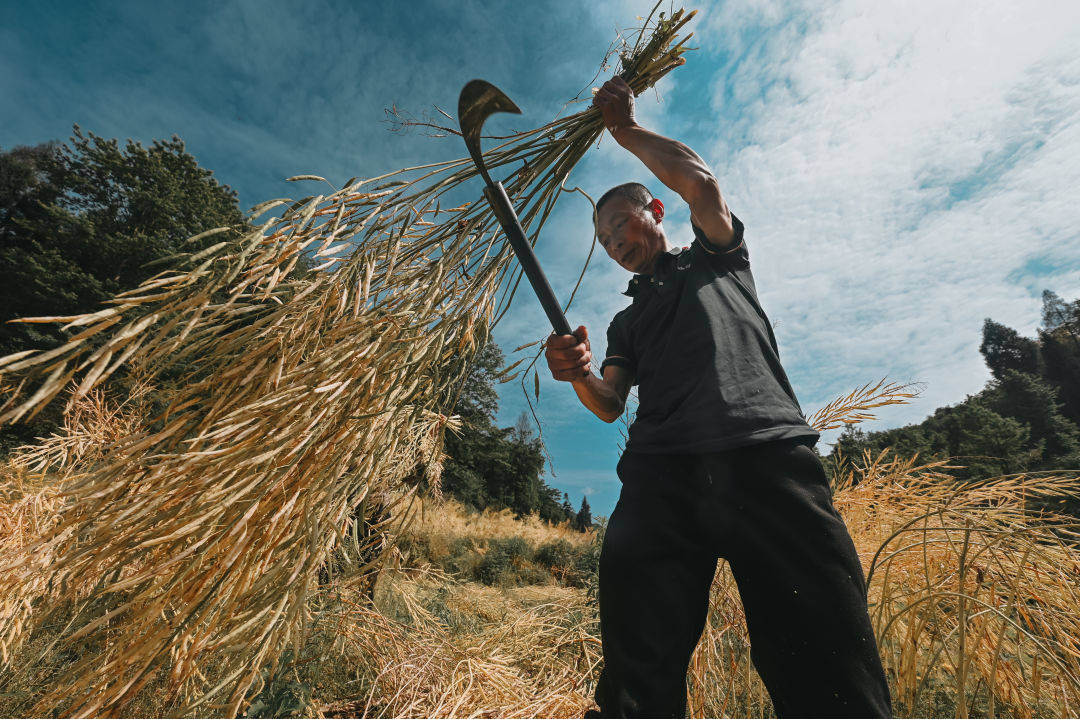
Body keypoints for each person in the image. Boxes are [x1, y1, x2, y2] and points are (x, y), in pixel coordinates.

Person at [544, 75, 893, 719]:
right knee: (636, 673)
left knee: (827, 662)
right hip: (661, 480)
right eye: (605, 239)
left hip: (765, 458)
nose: (617, 242)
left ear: (656, 212)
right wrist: (575, 372)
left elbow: (701, 184)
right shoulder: (626, 322)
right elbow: (610, 402)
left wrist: (625, 132)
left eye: (623, 222)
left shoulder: (717, 256)